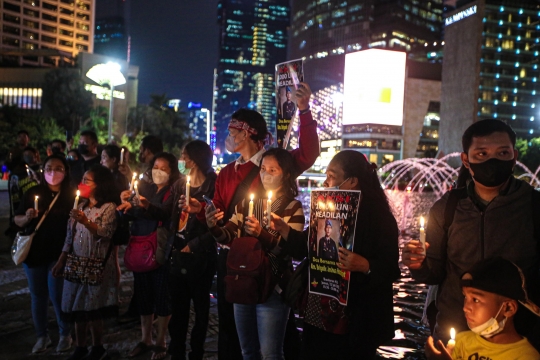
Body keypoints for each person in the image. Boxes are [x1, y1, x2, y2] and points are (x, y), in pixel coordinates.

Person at [183, 82, 319, 360]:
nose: (229, 136)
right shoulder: (226, 172)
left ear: (248, 134)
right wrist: (203, 211)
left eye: (233, 132)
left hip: (268, 262)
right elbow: (220, 214)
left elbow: (307, 153)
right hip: (232, 256)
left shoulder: (273, 162)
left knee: (275, 342)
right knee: (231, 328)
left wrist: (304, 111)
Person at [402, 119, 540, 348]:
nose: (492, 161)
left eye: (502, 152)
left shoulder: (534, 205)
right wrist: (418, 265)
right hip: (454, 333)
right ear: (466, 160)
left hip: (516, 339)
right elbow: (434, 273)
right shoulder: (447, 207)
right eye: (482, 153)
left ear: (514, 156)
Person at [271, 150, 400, 359]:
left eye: (331, 177)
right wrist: (284, 230)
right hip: (320, 310)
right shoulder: (325, 209)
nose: (326, 182)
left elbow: (391, 268)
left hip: (358, 317)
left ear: (351, 182)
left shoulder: (381, 219)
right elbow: (308, 246)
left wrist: (365, 265)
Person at [206, 148, 306, 360]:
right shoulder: (247, 204)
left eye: (273, 170)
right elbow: (229, 236)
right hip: (244, 281)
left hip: (273, 286)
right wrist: (214, 227)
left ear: (285, 174)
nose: (265, 174)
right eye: (262, 169)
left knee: (271, 353)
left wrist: (263, 234)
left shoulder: (292, 207)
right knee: (247, 350)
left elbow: (291, 251)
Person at [52, 165, 119, 360]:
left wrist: (86, 222)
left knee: (93, 308)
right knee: (76, 307)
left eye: (87, 180)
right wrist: (61, 261)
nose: (82, 184)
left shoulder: (108, 208)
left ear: (99, 184)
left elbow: (106, 233)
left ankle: (97, 347)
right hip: (76, 263)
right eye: (82, 179)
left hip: (96, 265)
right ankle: (80, 346)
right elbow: (69, 237)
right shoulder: (79, 207)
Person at [118, 152, 178, 360]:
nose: (158, 171)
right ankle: (146, 339)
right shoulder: (148, 189)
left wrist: (145, 206)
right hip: (140, 246)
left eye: (163, 168)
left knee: (162, 297)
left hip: (160, 249)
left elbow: (165, 213)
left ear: (172, 172)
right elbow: (136, 211)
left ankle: (160, 341)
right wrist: (126, 205)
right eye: (156, 167)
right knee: (143, 295)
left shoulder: (173, 191)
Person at [13, 154, 74, 354]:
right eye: (48, 168)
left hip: (60, 253)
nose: (52, 172)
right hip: (35, 253)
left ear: (65, 171)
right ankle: (42, 336)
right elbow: (17, 220)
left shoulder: (72, 196)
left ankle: (65, 334)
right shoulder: (32, 192)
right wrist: (27, 216)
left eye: (58, 168)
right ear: (43, 171)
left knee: (58, 295)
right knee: (38, 296)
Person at [425, 257, 540, 360]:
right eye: (465, 297)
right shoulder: (461, 342)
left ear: (508, 308)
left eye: (476, 300)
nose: (465, 308)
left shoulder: (526, 356)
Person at [168, 140, 218, 360]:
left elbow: (217, 226)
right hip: (178, 253)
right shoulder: (180, 185)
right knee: (178, 309)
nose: (181, 160)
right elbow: (170, 216)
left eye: (184, 156)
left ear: (195, 160)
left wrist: (195, 245)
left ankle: (196, 351)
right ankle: (176, 350)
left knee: (201, 309)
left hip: (201, 257)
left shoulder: (213, 186)